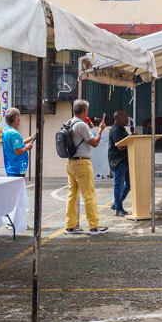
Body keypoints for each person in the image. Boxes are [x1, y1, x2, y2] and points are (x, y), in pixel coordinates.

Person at [63, 99, 107, 235]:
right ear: (85, 111)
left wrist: (89, 127)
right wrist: (99, 131)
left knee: (72, 195)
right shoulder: (81, 125)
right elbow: (94, 143)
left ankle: (70, 226)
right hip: (82, 163)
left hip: (71, 163)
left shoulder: (70, 123)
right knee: (89, 195)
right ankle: (94, 226)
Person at [106, 110, 131, 216]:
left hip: (125, 161)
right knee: (119, 186)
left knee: (130, 183)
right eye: (126, 118)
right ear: (120, 119)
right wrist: (131, 141)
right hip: (118, 162)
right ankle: (119, 209)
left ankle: (116, 204)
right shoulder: (116, 130)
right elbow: (120, 146)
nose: (128, 119)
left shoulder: (122, 129)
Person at [2, 108, 32, 179]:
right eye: (19, 116)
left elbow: (17, 144)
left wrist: (32, 137)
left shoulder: (6, 130)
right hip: (17, 167)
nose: (20, 119)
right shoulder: (14, 134)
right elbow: (18, 151)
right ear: (15, 118)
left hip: (10, 166)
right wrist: (27, 148)